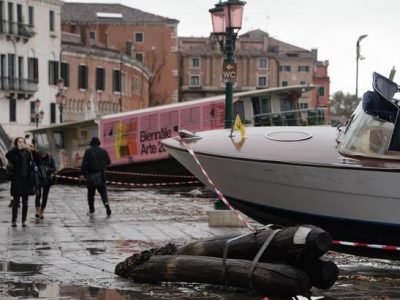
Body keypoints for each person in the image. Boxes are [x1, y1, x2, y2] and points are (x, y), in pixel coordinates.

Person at [5, 137, 35, 227]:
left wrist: (33, 150)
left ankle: (23, 221)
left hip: (26, 180)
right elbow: (7, 155)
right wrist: (17, 148)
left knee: (25, 202)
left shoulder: (27, 153)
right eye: (19, 142)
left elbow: (36, 161)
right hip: (17, 180)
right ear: (16, 143)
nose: (21, 143)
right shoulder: (14, 153)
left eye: (23, 142)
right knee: (15, 201)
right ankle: (14, 220)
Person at [80, 137, 112, 216]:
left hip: (91, 176)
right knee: (103, 193)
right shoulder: (103, 151)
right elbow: (109, 162)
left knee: (91, 194)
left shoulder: (88, 151)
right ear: (98, 143)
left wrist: (81, 174)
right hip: (101, 176)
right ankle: (106, 204)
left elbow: (84, 164)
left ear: (91, 143)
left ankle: (91, 210)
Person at [35, 149, 56, 219]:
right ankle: (37, 212)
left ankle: (41, 212)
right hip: (38, 179)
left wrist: (47, 169)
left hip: (47, 180)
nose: (43, 155)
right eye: (41, 153)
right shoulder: (37, 158)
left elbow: (54, 169)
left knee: (45, 196)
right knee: (38, 195)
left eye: (44, 153)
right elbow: (33, 166)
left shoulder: (50, 158)